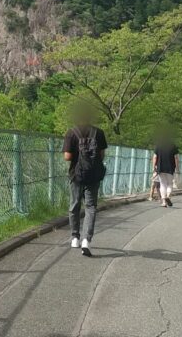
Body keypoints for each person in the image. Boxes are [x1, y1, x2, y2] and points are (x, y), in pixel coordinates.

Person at [63, 102, 108, 256]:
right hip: (94, 175)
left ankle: (75, 237)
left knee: (74, 205)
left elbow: (67, 156)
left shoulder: (71, 132)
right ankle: (86, 240)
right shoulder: (99, 133)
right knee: (91, 207)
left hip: (76, 175)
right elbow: (102, 155)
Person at [151, 130, 179, 208]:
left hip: (160, 168)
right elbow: (176, 158)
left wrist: (154, 167)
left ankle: (163, 202)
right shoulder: (173, 146)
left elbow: (155, 157)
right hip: (170, 168)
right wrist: (177, 168)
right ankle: (168, 197)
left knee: (162, 184)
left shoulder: (158, 146)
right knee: (170, 184)